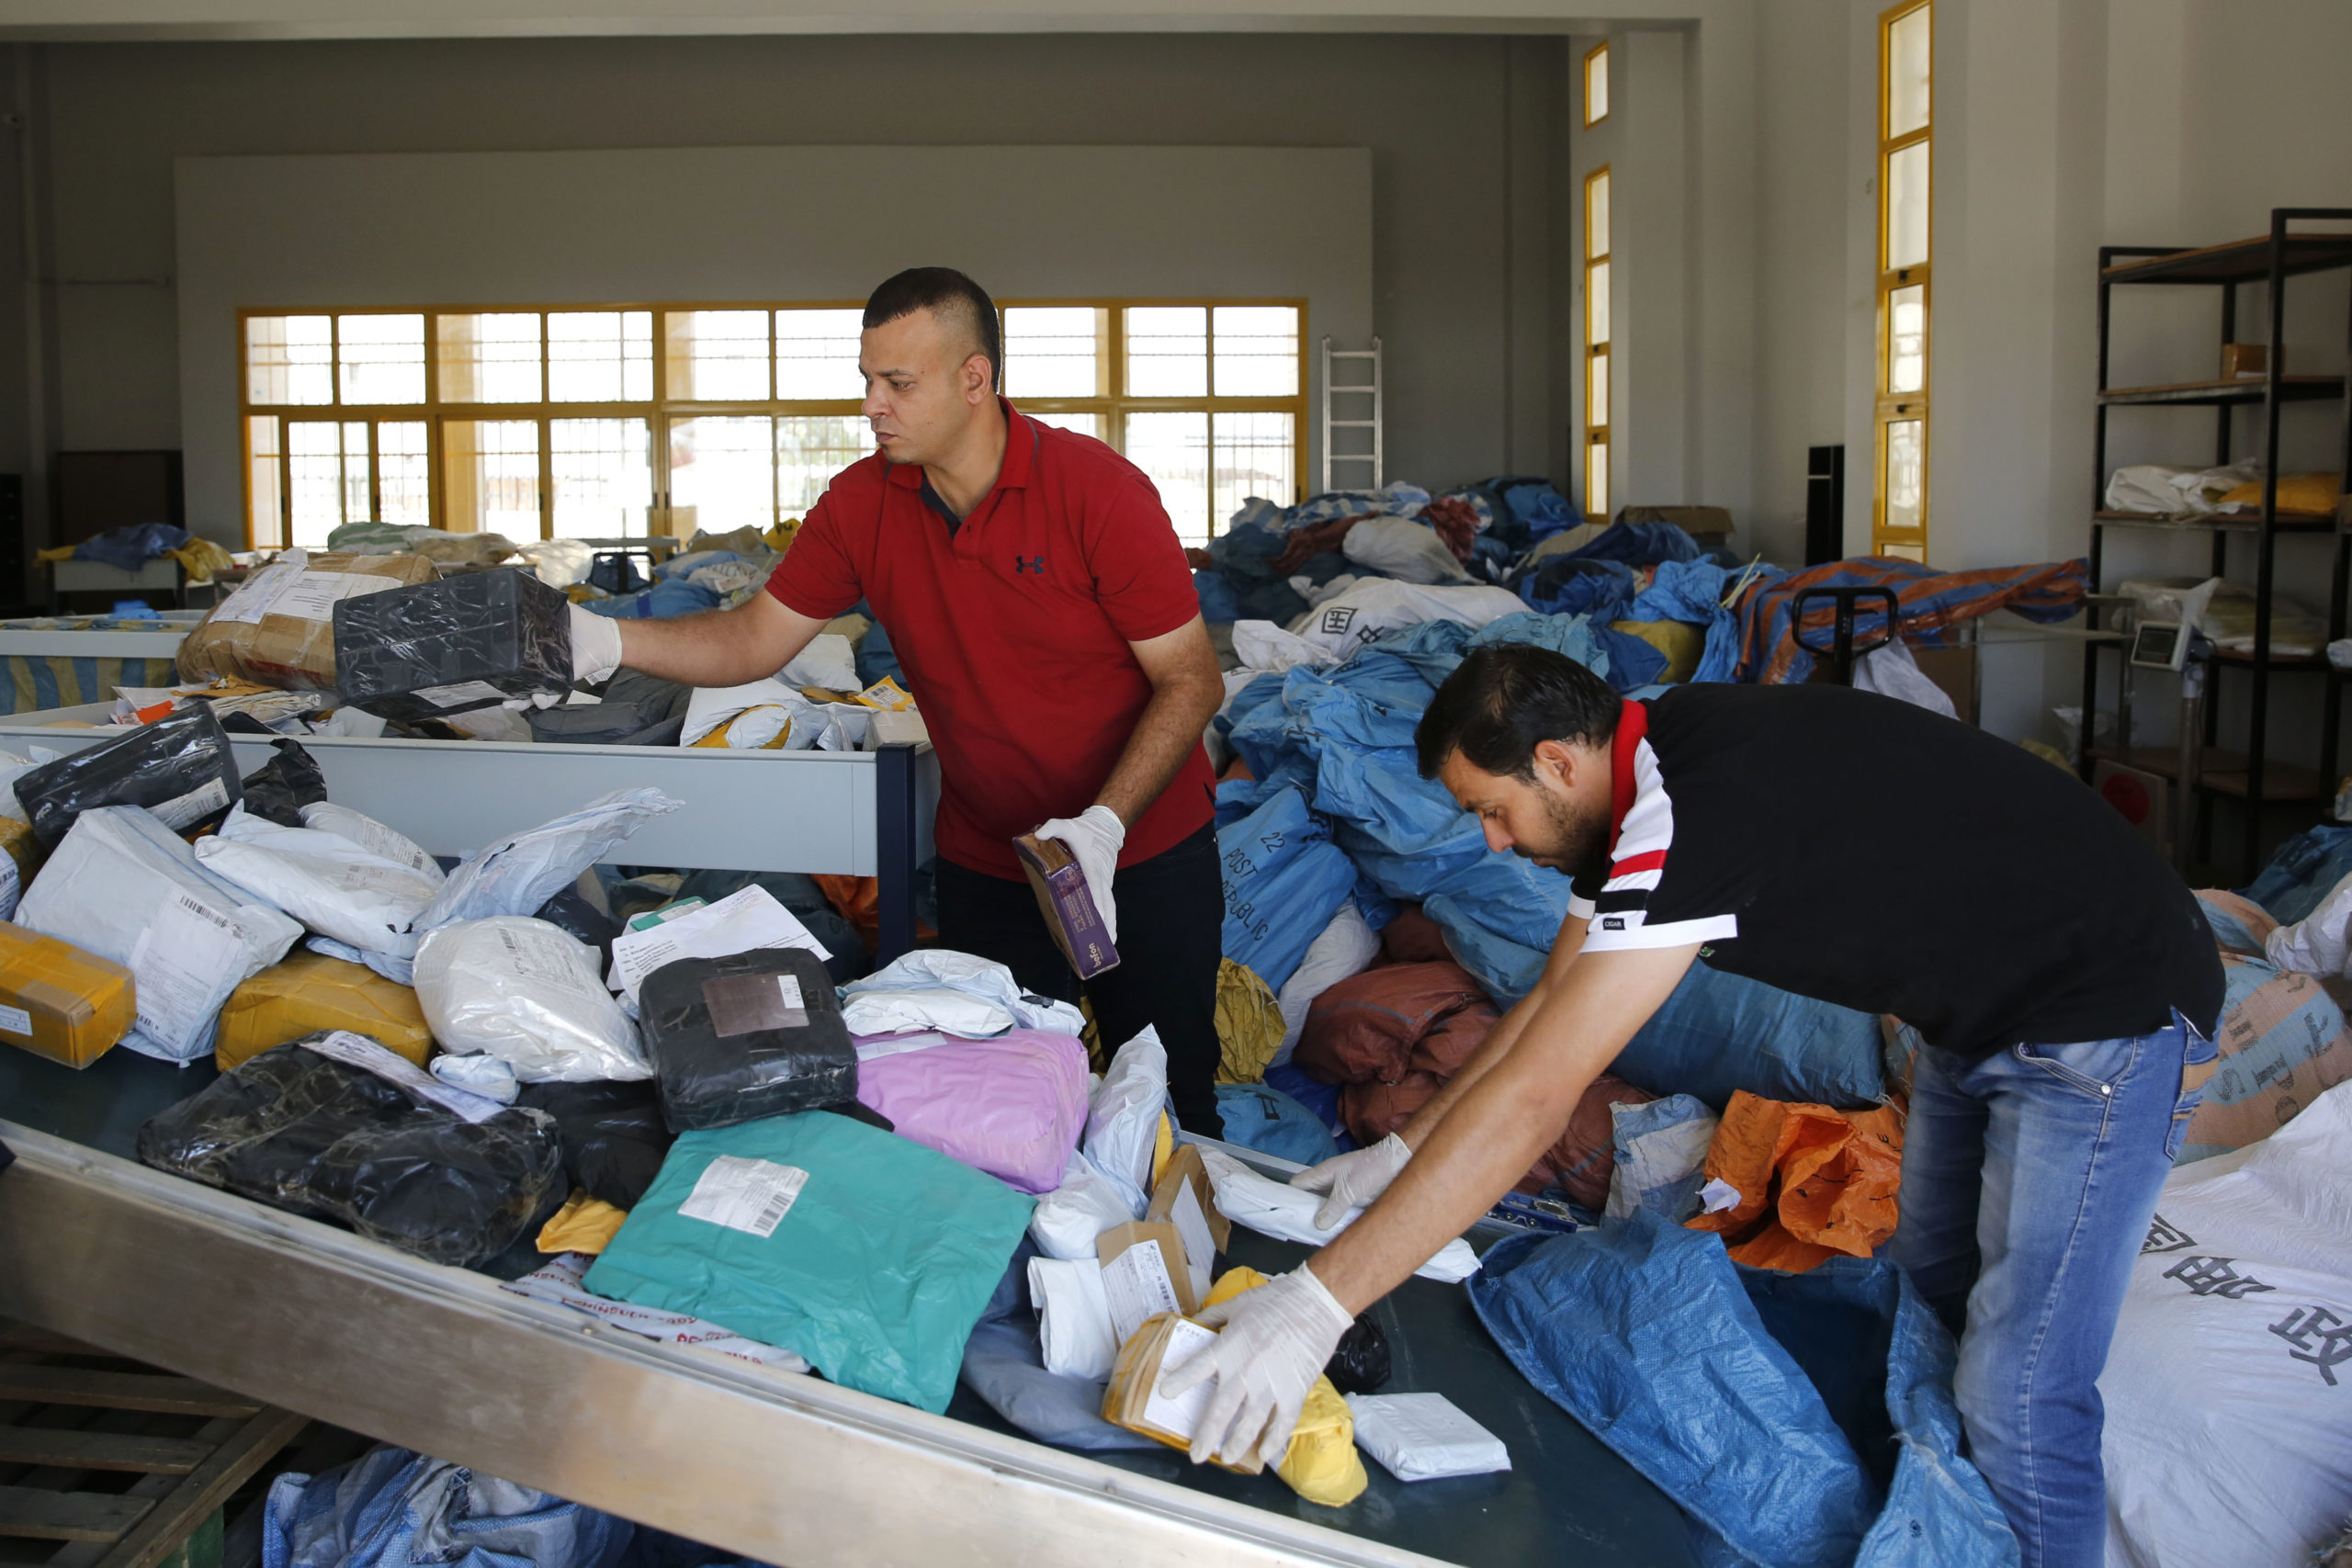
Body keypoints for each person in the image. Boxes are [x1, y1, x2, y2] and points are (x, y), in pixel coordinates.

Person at [1164, 644, 2222, 1568]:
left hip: (2102, 1019)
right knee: (1933, 1296)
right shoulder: (1644, 774)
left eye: (1492, 810)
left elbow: (1543, 1095)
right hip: (1977, 1016)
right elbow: (1548, 1015)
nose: (1488, 840)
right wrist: (1405, 1153)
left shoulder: (1688, 814)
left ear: (1556, 764)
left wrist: (1314, 1306)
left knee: (2022, 1391)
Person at [572, 266, 1227, 1131]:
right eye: (867, 381)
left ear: (974, 379)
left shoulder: (1097, 492)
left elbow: (1192, 677)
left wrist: (1103, 826)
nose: (873, 405)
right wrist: (606, 639)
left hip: (1142, 855)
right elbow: (751, 639)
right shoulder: (859, 504)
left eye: (898, 383)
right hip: (993, 863)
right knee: (997, 1114)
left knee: (1171, 1105)